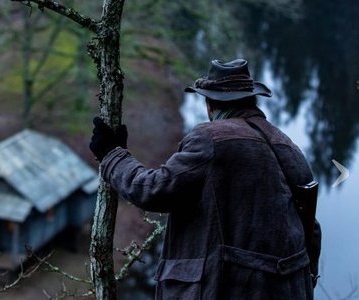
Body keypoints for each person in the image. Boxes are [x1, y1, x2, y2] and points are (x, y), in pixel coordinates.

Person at [89, 59, 321, 299]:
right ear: (251, 99)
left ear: (210, 103)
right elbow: (311, 231)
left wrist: (112, 155)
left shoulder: (211, 138)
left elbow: (153, 189)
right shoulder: (288, 146)